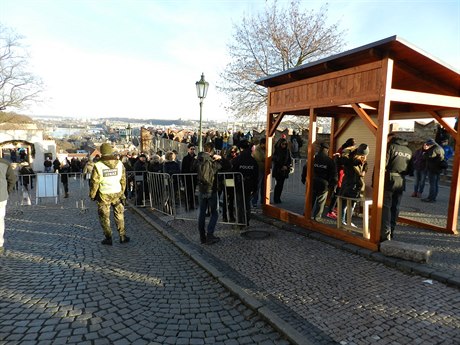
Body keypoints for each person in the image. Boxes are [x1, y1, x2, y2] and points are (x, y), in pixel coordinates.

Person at [89, 143, 129, 245]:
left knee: (104, 217)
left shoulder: (98, 165)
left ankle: (108, 237)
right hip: (117, 192)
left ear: (102, 152)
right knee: (119, 215)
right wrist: (122, 192)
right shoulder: (120, 163)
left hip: (104, 194)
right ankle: (122, 236)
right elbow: (123, 180)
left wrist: (92, 195)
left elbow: (94, 182)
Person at [381, 134, 412, 241]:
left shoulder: (391, 147)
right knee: (395, 207)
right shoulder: (409, 150)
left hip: (389, 180)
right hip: (401, 181)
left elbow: (382, 164)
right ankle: (392, 231)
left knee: (386, 207)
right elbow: (410, 170)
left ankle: (385, 234)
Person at [196, 142, 222, 245]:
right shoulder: (212, 161)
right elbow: (227, 166)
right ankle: (210, 235)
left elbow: (190, 168)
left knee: (202, 213)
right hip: (212, 190)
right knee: (215, 213)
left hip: (201, 190)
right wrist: (220, 158)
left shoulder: (198, 159)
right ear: (211, 150)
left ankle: (202, 237)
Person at [339, 143, 369, 226]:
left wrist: (364, 171)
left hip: (357, 183)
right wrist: (356, 162)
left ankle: (348, 221)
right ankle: (342, 220)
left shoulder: (363, 157)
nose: (363, 157)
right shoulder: (349, 155)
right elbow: (347, 162)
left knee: (353, 203)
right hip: (349, 182)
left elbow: (366, 165)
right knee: (345, 203)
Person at [326, 138, 355, 219]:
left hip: (340, 175)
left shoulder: (342, 150)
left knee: (338, 193)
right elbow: (340, 164)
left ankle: (334, 209)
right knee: (337, 193)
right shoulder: (343, 152)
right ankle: (330, 211)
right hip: (339, 175)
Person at [231, 140, 259, 227]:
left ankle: (240, 223)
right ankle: (246, 221)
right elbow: (256, 175)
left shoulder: (237, 160)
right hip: (249, 184)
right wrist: (255, 188)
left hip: (239, 184)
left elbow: (232, 173)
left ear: (241, 148)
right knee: (247, 204)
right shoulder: (253, 161)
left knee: (240, 204)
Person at [311, 143, 337, 221]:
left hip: (313, 182)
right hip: (324, 184)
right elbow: (334, 174)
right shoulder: (329, 161)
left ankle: (306, 215)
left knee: (310, 200)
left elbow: (306, 168)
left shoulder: (314, 158)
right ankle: (317, 218)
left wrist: (304, 178)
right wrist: (333, 185)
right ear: (327, 150)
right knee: (320, 202)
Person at [0, 157, 17, 254]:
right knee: (0, 221)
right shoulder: (5, 163)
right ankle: (0, 244)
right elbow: (12, 179)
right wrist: (7, 191)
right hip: (1, 196)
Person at [421, 138, 444, 203]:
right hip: (438, 168)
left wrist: (424, 154)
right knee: (436, 184)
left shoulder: (434, 149)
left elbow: (429, 157)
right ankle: (433, 197)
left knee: (432, 184)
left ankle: (431, 198)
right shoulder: (440, 148)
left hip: (433, 168)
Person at [271, 138, 292, 204]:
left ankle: (278, 198)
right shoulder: (277, 151)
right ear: (280, 144)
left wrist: (287, 166)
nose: (284, 145)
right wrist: (281, 166)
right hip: (278, 170)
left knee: (281, 185)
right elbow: (275, 160)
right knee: (278, 184)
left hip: (284, 170)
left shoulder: (287, 151)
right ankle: (276, 198)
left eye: (285, 144)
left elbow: (289, 160)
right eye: (283, 144)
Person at [181, 143, 198, 210]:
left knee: (192, 192)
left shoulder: (196, 158)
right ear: (188, 149)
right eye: (191, 149)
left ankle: (192, 205)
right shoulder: (185, 158)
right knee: (187, 192)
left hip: (193, 178)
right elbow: (183, 169)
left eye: (194, 149)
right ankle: (187, 205)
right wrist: (182, 179)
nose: (193, 150)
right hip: (187, 178)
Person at [251, 137, 266, 207]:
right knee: (257, 186)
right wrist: (267, 158)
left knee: (264, 186)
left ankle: (263, 201)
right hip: (259, 169)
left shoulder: (265, 149)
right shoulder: (257, 149)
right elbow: (259, 158)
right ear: (262, 144)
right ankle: (254, 201)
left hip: (264, 169)